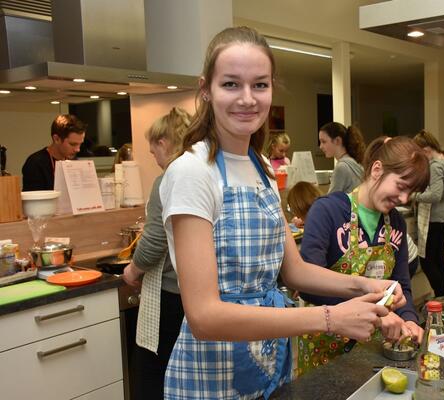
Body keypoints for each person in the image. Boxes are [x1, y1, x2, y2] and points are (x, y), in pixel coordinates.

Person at [159, 26, 403, 400]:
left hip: (270, 363)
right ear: (205, 89)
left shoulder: (262, 168)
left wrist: (366, 286)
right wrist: (328, 319)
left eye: (259, 85)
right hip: (211, 378)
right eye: (230, 84)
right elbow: (204, 316)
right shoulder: (192, 173)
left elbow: (294, 271)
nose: (247, 98)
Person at [297, 136, 429, 372]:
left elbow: (400, 286)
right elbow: (308, 286)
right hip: (325, 346)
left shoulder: (395, 223)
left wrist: (409, 318)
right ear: (377, 169)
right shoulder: (328, 211)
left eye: (411, 193)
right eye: (401, 186)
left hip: (371, 348)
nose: (404, 199)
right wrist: (375, 313)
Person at [122, 107, 191, 400]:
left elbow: (153, 242)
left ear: (164, 143)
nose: (154, 156)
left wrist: (132, 270)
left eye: (152, 150)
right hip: (196, 294)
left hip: (172, 297)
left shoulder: (168, 180)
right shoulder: (205, 171)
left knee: (155, 374)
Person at [412, 130, 444, 298]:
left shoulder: (435, 166)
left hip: (436, 217)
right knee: (439, 257)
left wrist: (414, 196)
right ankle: (443, 297)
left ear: (426, 149)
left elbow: (434, 195)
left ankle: (440, 297)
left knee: (426, 260)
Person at [21, 114, 86, 191]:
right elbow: (34, 201)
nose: (77, 149)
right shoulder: (36, 163)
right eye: (73, 144)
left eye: (80, 144)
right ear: (56, 139)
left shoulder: (73, 161)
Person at [318, 122, 366, 193]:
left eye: (324, 142)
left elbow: (330, 201)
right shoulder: (354, 162)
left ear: (337, 140)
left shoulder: (342, 167)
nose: (321, 147)